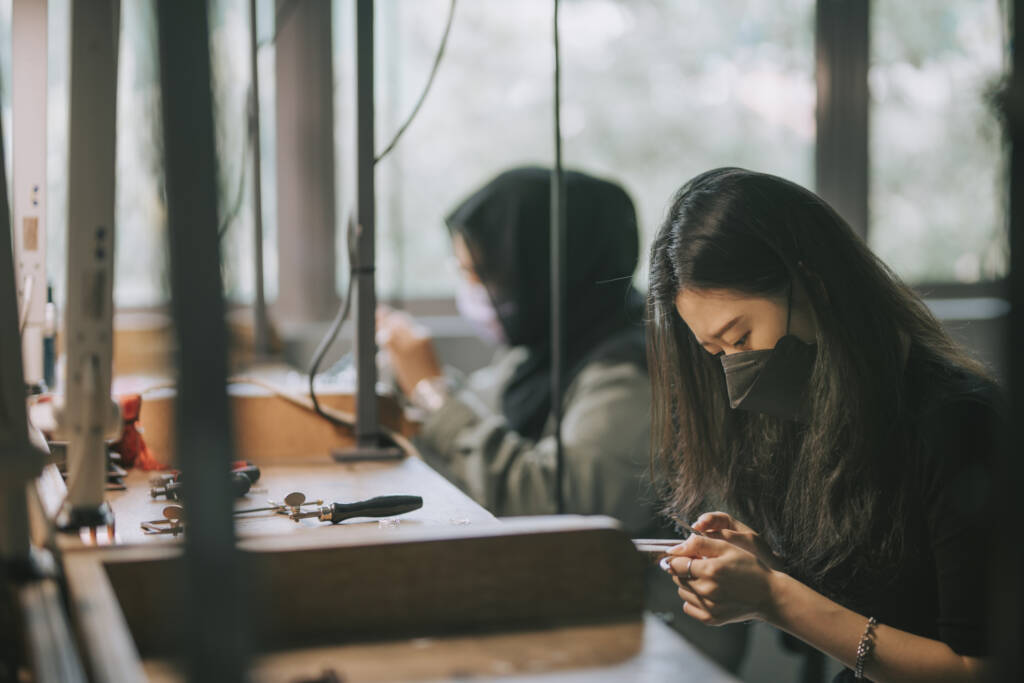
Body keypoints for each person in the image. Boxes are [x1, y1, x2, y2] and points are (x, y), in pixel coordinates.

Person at [378, 166, 750, 672]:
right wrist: (408, 389)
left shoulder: (633, 372)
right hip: (572, 611)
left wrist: (432, 392)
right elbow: (486, 421)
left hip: (649, 644)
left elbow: (552, 506)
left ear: (542, 270)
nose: (472, 288)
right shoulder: (547, 350)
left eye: (482, 272)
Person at [648, 167, 1000, 682]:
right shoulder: (813, 417)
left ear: (813, 285)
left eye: (741, 338)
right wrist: (770, 566)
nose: (733, 375)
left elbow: (982, 668)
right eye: (716, 352)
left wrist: (775, 598)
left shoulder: (960, 424)